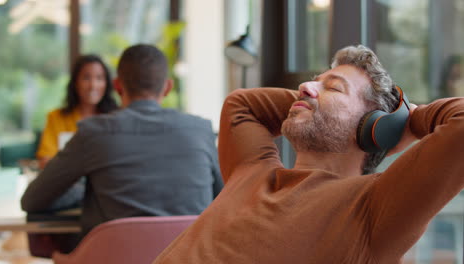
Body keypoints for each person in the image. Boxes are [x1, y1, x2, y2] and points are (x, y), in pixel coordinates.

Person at [153, 45, 464, 264]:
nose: (305, 86)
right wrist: (313, 99)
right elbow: (241, 104)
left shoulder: (375, 206)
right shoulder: (253, 169)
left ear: (375, 125)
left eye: (334, 87)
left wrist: (404, 119)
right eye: (314, 81)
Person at [21, 44, 223, 246]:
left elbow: (32, 201)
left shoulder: (93, 132)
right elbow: (225, 199)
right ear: (168, 87)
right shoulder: (202, 130)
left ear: (117, 87)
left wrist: (83, 189)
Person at [36, 54, 118, 169]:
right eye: (86, 78)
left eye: (99, 78)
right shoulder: (56, 117)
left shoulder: (117, 118)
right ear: (75, 83)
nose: (93, 86)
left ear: (107, 84)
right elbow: (45, 161)